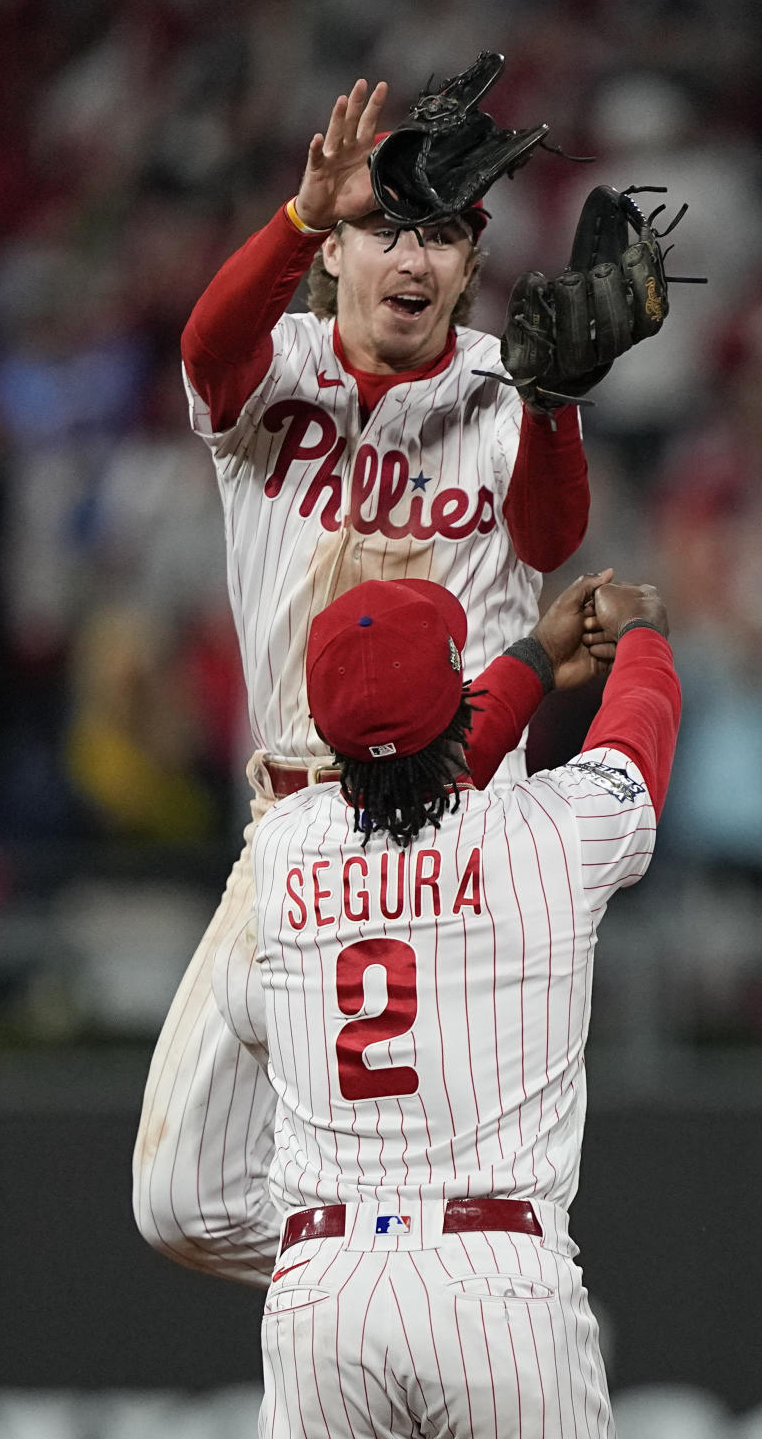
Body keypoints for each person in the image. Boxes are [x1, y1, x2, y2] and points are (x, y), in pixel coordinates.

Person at [133, 76, 596, 1282]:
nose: (414, 256)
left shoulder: (507, 387)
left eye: (442, 233)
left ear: (472, 259)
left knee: (449, 1159)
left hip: (457, 826)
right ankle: (416, 1281)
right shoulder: (271, 370)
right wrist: (290, 220)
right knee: (179, 1201)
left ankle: (465, 1300)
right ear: (335, 250)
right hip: (291, 822)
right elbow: (204, 348)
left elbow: (549, 544)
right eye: (386, 227)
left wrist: (555, 410)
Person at [239, 570, 679, 1438]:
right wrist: (644, 642)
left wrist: (527, 666)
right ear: (456, 704)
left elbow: (404, 771)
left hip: (321, 1299)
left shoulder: (282, 849)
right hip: (497, 1281)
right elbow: (634, 749)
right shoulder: (546, 834)